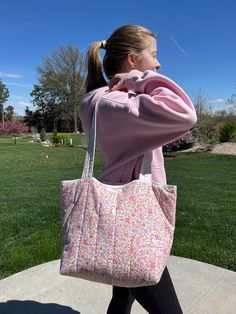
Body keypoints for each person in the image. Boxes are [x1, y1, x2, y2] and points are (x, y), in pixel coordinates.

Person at [79, 24, 197, 314]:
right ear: (131, 60)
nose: (158, 64)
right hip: (135, 220)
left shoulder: (95, 101)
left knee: (122, 298)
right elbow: (185, 113)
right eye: (153, 55)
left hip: (116, 214)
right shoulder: (122, 103)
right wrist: (137, 79)